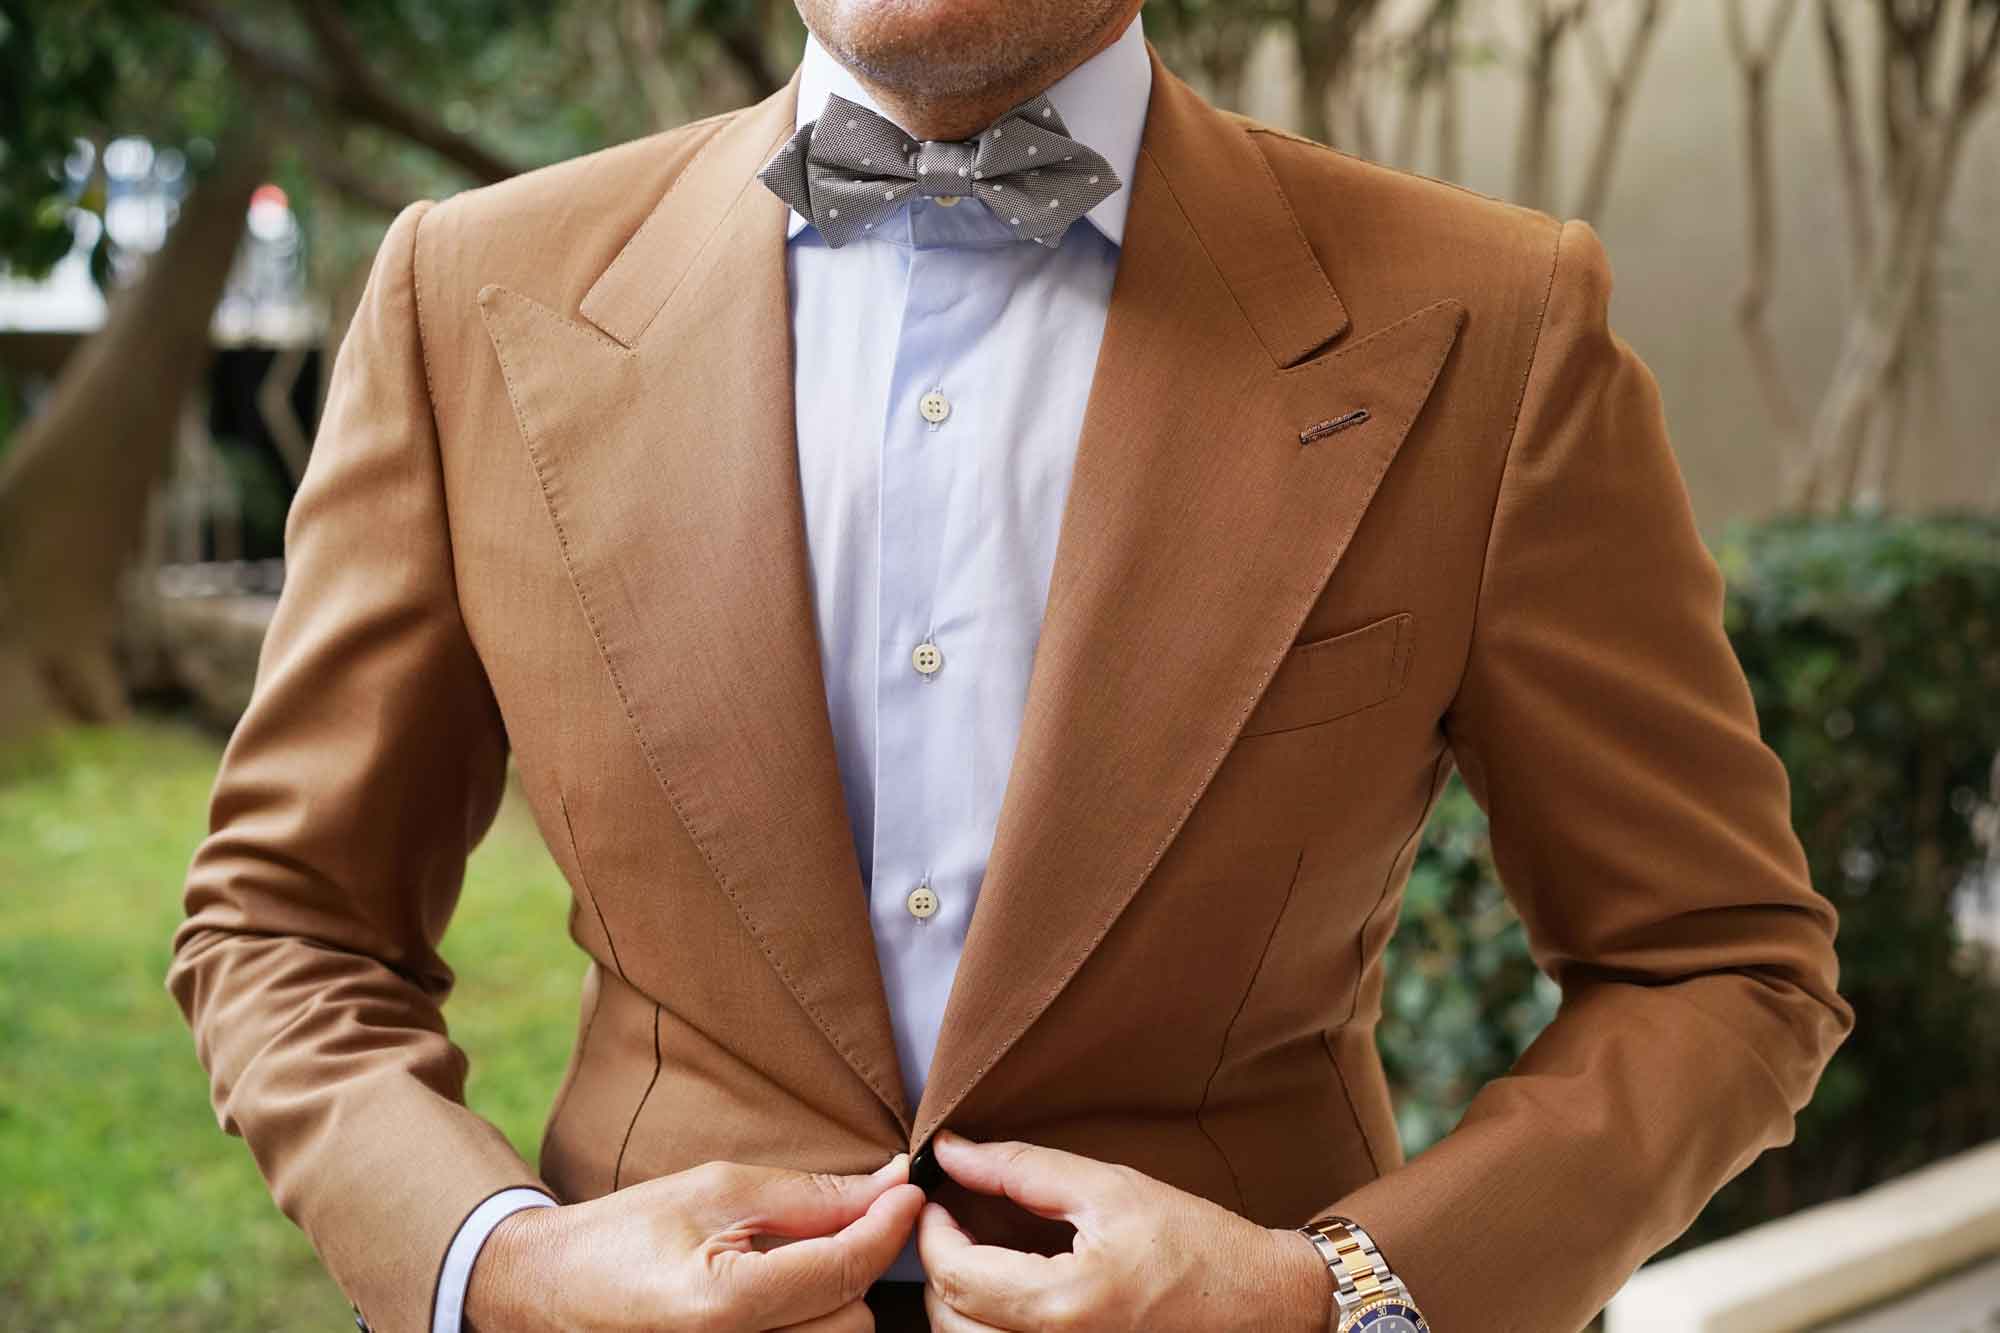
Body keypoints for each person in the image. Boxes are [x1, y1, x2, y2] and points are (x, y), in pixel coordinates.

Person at [167, 1, 1855, 1330]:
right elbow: (285, 926)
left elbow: (1719, 965)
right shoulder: (470, 295)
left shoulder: (1494, 321)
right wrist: (503, 1273)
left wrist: (1328, 1292)